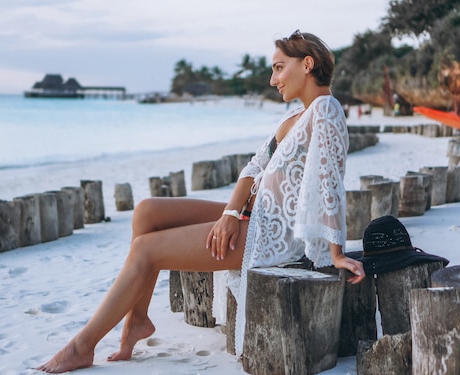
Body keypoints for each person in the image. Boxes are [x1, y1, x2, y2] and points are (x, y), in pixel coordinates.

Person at [36, 30, 366, 373]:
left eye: (280, 68)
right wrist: (229, 213)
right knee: (147, 211)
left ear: (307, 64)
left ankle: (82, 346)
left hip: (272, 236)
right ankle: (138, 319)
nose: (273, 79)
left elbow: (330, 182)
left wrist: (336, 252)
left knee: (145, 250)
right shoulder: (294, 117)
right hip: (253, 216)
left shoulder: (325, 110)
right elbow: (253, 168)